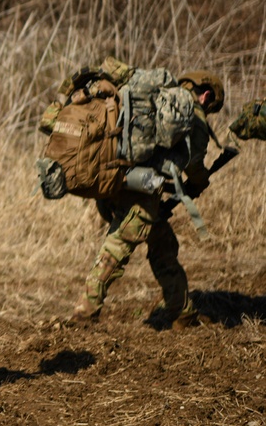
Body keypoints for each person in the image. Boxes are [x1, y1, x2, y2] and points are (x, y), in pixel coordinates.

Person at [71, 70, 226, 330]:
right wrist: (199, 183)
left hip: (115, 184)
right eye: (210, 107)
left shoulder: (151, 99)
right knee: (115, 249)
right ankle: (84, 314)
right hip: (140, 195)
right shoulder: (190, 113)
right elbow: (194, 166)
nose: (207, 111)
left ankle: (183, 313)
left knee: (164, 245)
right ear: (206, 95)